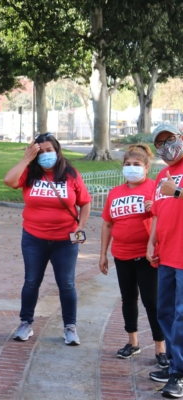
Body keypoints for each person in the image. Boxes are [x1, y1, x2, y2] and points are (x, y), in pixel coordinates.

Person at [4, 132, 91, 345]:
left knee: (67, 284)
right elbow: (9, 180)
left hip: (65, 240)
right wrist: (26, 159)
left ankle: (70, 327)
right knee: (32, 281)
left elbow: (85, 202)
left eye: (49, 150)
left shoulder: (70, 173)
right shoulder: (30, 173)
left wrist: (80, 228)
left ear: (57, 150)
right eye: (39, 151)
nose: (45, 155)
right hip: (34, 238)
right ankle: (25, 323)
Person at [99, 144, 167, 365]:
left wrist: (154, 207)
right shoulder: (115, 193)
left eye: (136, 165)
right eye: (127, 164)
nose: (131, 168)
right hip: (122, 255)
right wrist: (103, 254)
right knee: (128, 300)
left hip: (147, 256)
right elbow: (107, 225)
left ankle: (160, 347)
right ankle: (133, 342)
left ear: (146, 168)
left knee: (152, 302)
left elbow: (166, 217)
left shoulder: (155, 187)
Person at [147, 124, 183, 397]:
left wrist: (178, 192)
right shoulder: (162, 175)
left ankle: (179, 375)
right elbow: (158, 213)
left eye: (170, 139)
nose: (166, 146)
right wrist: (151, 242)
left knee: (182, 316)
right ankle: (173, 364)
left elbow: (174, 197)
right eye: (160, 143)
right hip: (167, 254)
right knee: (165, 312)